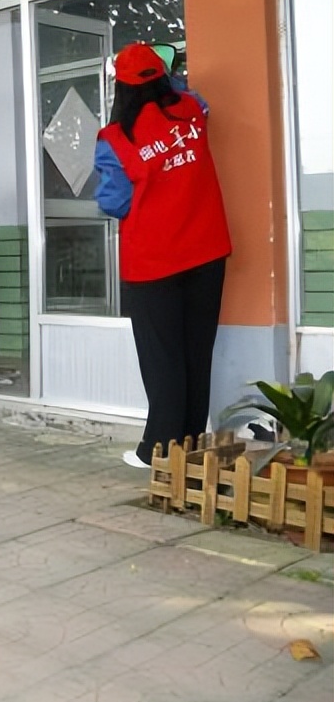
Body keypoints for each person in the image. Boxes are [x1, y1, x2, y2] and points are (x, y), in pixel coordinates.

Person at [94, 42, 231, 469]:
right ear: (163, 77)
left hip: (154, 262)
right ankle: (187, 445)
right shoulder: (193, 110)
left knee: (162, 357)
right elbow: (188, 93)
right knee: (195, 352)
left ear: (121, 89)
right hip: (207, 252)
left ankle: (158, 451)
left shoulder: (115, 139)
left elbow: (113, 202)